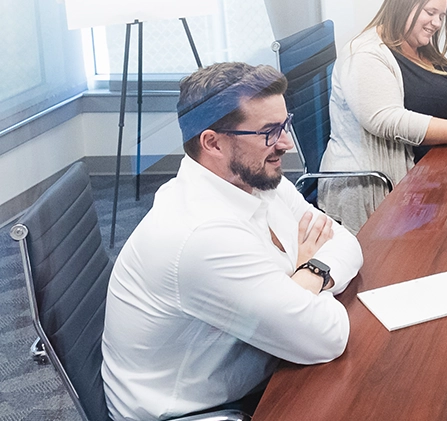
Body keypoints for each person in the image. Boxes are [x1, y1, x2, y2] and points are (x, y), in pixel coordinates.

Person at [102, 62, 364, 421]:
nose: (287, 143)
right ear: (213, 143)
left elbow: (347, 242)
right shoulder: (202, 236)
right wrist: (308, 275)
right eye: (270, 132)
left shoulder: (257, 178)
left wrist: (306, 275)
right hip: (194, 412)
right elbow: (326, 336)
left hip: (255, 370)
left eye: (285, 125)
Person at [319, 0, 447, 233]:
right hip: (377, 186)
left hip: (431, 170)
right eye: (431, 12)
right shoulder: (364, 55)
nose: (437, 23)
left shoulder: (417, 46)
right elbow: (386, 120)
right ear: (404, 5)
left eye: (442, 16)